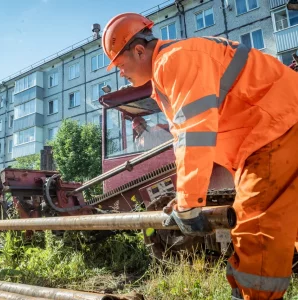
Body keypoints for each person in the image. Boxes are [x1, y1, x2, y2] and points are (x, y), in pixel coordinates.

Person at [102, 12, 298, 300]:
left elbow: (194, 133)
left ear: (139, 50)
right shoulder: (178, 60)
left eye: (120, 64)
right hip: (278, 128)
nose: (121, 72)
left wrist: (188, 204)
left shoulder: (174, 61)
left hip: (275, 131)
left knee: (256, 233)